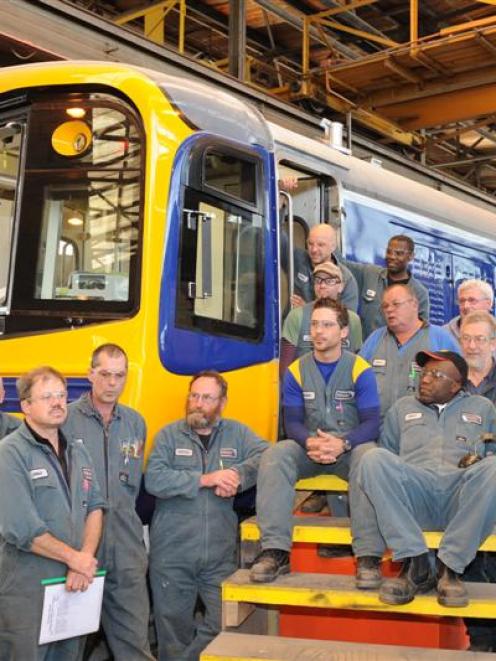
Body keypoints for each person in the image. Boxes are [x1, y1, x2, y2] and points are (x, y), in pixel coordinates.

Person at [249, 298, 381, 584]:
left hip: (349, 450)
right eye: (314, 324)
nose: (318, 331)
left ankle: (368, 557)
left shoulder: (360, 369)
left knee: (370, 458)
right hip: (309, 449)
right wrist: (309, 442)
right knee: (276, 454)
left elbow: (372, 422)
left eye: (327, 325)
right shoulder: (296, 370)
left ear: (344, 332)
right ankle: (275, 551)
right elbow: (292, 422)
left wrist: (343, 443)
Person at [356, 350, 496, 607]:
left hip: (460, 499)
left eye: (435, 374)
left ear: (455, 385)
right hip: (415, 495)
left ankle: (450, 568)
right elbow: (388, 457)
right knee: (373, 459)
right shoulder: (402, 407)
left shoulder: (483, 408)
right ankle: (416, 563)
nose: (425, 379)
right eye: (423, 373)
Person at [146, 370, 267, 660]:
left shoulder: (238, 434)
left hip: (218, 558)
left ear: (222, 403)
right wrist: (205, 479)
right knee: (172, 633)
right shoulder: (169, 436)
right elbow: (154, 479)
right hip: (172, 557)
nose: (198, 403)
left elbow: (267, 455)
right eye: (194, 396)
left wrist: (238, 475)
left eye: (207, 398)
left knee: (224, 623)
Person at [0, 366, 104, 660]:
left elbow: (95, 506)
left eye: (60, 395)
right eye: (46, 396)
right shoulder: (10, 453)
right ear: (26, 406)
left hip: (73, 584)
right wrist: (77, 559)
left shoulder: (78, 452)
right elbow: (20, 528)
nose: (58, 402)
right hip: (27, 590)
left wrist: (83, 559)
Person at [63, 344, 153, 661]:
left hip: (126, 548)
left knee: (135, 645)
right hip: (79, 550)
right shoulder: (66, 422)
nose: (112, 383)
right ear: (90, 374)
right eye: (105, 374)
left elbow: (132, 485)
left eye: (119, 375)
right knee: (67, 646)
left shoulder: (135, 423)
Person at [360, 284, 459, 419]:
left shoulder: (440, 339)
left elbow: (458, 385)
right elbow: (356, 381)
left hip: (422, 428)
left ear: (414, 305)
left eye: (396, 304)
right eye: (385, 306)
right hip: (376, 427)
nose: (389, 310)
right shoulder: (375, 339)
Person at [459, 311, 496, 651]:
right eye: (467, 339)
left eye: (480, 339)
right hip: (460, 489)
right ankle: (481, 639)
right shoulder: (448, 383)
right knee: (469, 563)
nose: (472, 346)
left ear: (493, 343)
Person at [281, 261, 362, 378]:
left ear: (341, 287)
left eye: (329, 281)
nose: (322, 285)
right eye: (318, 280)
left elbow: (358, 361)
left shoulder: (352, 320)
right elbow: (285, 367)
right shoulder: (297, 316)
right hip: (305, 388)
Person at [345, 235, 429, 339]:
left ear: (411, 256)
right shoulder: (370, 274)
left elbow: (422, 332)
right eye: (389, 252)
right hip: (365, 352)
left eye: (399, 253)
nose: (392, 256)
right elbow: (342, 264)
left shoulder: (419, 293)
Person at [292, 224, 359, 312]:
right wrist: (280, 211)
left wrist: (307, 311)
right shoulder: (297, 259)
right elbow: (278, 240)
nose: (314, 250)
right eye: (310, 244)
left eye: (320, 245)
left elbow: (348, 320)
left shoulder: (346, 279)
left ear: (333, 247)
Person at [444, 279, 494, 347]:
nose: (466, 306)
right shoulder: (442, 335)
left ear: (488, 304)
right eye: (462, 301)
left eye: (472, 300)